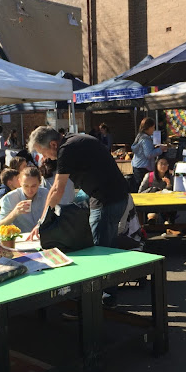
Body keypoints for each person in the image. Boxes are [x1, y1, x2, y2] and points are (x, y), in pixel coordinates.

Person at [27, 126, 130, 307]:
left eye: (43, 152)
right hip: (112, 195)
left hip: (107, 199)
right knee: (105, 246)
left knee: (100, 251)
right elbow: (56, 188)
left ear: (53, 144)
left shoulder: (67, 149)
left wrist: (43, 222)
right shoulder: (73, 140)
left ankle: (102, 301)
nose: (44, 158)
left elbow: (58, 188)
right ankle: (105, 295)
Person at [0, 167, 49, 233]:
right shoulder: (9, 198)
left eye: (33, 186)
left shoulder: (46, 194)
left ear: (39, 183)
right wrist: (14, 213)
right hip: (22, 240)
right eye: (26, 186)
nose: (30, 190)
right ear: (20, 182)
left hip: (44, 237)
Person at [131, 117, 165, 188]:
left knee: (139, 186)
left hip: (138, 165)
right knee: (143, 188)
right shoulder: (145, 139)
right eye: (153, 127)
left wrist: (154, 148)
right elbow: (149, 154)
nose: (153, 130)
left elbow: (144, 151)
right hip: (143, 167)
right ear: (148, 127)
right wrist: (160, 149)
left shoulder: (139, 136)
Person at [138, 157, 174, 224]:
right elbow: (140, 193)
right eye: (161, 164)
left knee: (171, 212)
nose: (163, 166)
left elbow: (172, 193)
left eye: (165, 164)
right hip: (151, 203)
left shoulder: (170, 177)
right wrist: (153, 189)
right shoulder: (149, 176)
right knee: (152, 215)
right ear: (156, 165)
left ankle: (169, 225)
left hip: (165, 203)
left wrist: (168, 185)